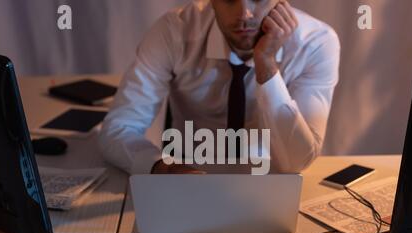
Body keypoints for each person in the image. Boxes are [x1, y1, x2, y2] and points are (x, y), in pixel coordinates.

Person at [99, 0, 340, 174]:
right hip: (187, 171)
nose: (244, 14)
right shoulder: (174, 31)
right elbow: (119, 128)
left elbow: (296, 162)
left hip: (268, 179)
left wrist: (266, 65)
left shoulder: (316, 43)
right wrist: (162, 168)